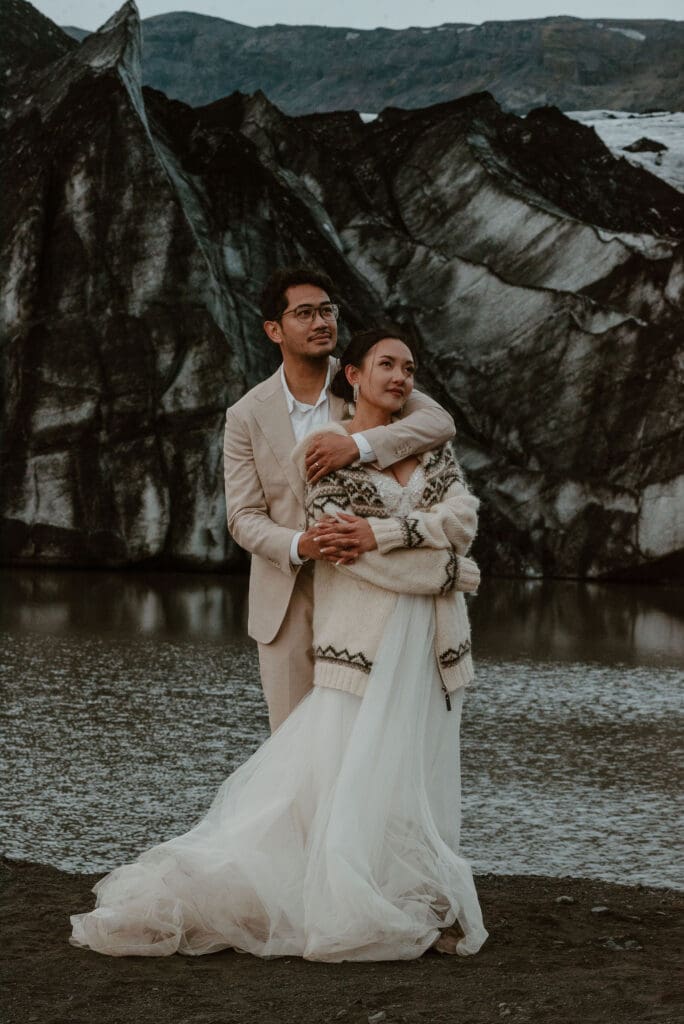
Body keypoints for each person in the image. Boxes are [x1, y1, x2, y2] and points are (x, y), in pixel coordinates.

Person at [69, 327, 488, 960]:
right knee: (347, 771)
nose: (400, 376)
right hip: (364, 643)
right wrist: (454, 570)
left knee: (418, 769)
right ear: (354, 373)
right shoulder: (321, 452)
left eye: (408, 367)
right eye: (386, 364)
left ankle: (411, 885)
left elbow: (461, 521)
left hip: (432, 645)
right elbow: (357, 558)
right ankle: (341, 894)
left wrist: (387, 533)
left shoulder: (430, 442)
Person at [223, 265, 456, 732]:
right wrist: (300, 544)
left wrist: (359, 445)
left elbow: (440, 423)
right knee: (290, 749)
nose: (321, 322)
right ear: (274, 329)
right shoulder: (246, 414)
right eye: (305, 313)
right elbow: (243, 517)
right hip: (286, 600)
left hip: (366, 592)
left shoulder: (366, 379)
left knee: (362, 743)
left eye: (327, 310)